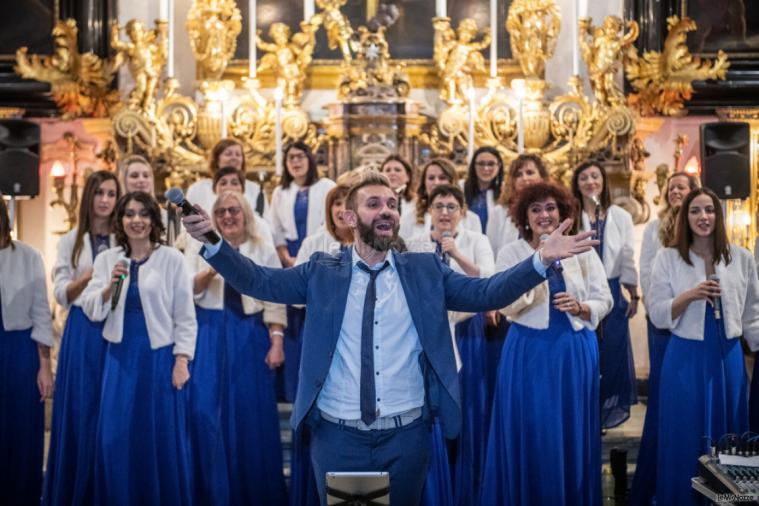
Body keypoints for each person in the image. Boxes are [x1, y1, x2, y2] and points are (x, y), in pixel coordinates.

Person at [181, 170, 598, 505]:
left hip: (406, 435)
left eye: (393, 204)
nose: (387, 211)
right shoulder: (321, 271)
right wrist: (212, 243)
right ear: (348, 217)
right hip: (340, 434)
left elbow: (487, 292)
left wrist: (540, 259)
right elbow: (259, 281)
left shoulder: (423, 270)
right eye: (373, 203)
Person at [481, 181, 612, 505]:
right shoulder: (511, 252)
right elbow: (505, 302)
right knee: (534, 430)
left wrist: (582, 307)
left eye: (550, 207)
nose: (544, 214)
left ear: (562, 212)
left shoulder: (581, 247)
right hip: (529, 352)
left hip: (574, 350)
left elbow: (604, 298)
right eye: (536, 209)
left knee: (571, 432)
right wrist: (538, 263)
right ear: (524, 216)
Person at [80, 192, 196, 505]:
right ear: (121, 221)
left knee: (156, 439)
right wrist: (107, 288)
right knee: (114, 438)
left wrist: (182, 359)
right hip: (119, 358)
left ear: (153, 221)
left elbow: (185, 315)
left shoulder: (171, 258)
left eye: (144, 214)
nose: (137, 220)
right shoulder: (108, 259)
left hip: (158, 358)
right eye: (130, 214)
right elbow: (91, 308)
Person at [648, 187, 759, 504]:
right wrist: (689, 296)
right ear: (685, 217)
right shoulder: (668, 258)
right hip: (685, 356)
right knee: (684, 434)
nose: (703, 217)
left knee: (728, 437)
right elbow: (657, 314)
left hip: (728, 356)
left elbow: (753, 311)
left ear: (718, 216)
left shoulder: (742, 257)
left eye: (709, 210)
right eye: (695, 211)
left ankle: (725, 500)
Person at [186, 191, 287, 506]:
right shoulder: (198, 247)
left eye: (234, 211)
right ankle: (213, 494)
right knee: (207, 411)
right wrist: (214, 265)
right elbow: (189, 289)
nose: (228, 217)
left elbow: (274, 294)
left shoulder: (261, 246)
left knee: (249, 414)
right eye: (221, 212)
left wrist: (276, 340)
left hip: (248, 334)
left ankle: (254, 493)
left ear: (245, 214)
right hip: (209, 332)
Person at [407, 184, 494, 506]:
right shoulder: (414, 244)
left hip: (467, 333)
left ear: (462, 212)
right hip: (427, 336)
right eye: (439, 206)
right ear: (429, 210)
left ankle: (468, 488)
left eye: (451, 207)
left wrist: (455, 252)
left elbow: (486, 279)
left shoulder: (476, 240)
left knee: (467, 407)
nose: (445, 212)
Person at [43, 170, 120, 506]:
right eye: (99, 193)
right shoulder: (70, 240)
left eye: (111, 194)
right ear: (88, 197)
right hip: (83, 332)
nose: (104, 200)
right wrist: (89, 277)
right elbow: (61, 294)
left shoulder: (124, 237)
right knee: (82, 409)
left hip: (116, 329)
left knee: (112, 409)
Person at [630, 171, 699, 506]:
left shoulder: (702, 224)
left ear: (694, 193)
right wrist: (664, 309)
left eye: (681, 188)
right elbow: (646, 271)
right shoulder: (654, 229)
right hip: (664, 322)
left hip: (696, 324)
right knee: (664, 397)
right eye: (671, 188)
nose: (675, 192)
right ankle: (657, 479)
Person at [571, 161, 639, 429]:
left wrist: (634, 295)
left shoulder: (620, 216)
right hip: (581, 291)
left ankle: (601, 414)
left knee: (610, 356)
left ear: (603, 181)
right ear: (577, 184)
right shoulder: (573, 216)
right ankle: (583, 412)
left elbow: (627, 256)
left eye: (595, 176)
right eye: (584, 177)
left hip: (611, 290)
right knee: (587, 356)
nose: (590, 181)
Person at [267, 141, 335, 402]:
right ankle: (292, 389)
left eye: (300, 156)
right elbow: (275, 230)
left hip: (319, 254)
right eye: (290, 158)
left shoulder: (326, 186)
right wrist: (287, 257)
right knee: (294, 321)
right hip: (290, 257)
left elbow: (331, 222)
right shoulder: (280, 192)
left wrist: (307, 254)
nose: (296, 162)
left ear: (310, 159)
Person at [0, 196, 54, 506]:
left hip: (19, 351)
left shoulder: (28, 256)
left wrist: (44, 365)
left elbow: (41, 313)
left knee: (20, 432)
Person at [400, 158, 481, 240]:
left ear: (452, 182)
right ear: (424, 184)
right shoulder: (409, 218)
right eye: (431, 178)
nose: (436, 182)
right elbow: (402, 250)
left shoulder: (472, 219)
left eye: (442, 178)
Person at [186, 138, 268, 216]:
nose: (234, 158)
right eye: (228, 154)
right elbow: (186, 224)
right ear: (217, 160)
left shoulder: (255, 189)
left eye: (238, 154)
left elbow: (267, 225)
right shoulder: (197, 189)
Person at [489, 153, 549, 255]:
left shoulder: (553, 209)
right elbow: (492, 250)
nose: (524, 178)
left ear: (542, 177)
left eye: (529, 173)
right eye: (518, 175)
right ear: (513, 181)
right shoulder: (499, 211)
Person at [462, 146, 504, 236]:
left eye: (491, 164)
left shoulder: (504, 191)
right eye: (481, 164)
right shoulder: (460, 187)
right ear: (474, 166)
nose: (486, 168)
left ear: (499, 166)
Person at [380, 155, 416, 219]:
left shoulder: (417, 204)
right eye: (388, 170)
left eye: (397, 170)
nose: (392, 173)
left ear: (408, 176)